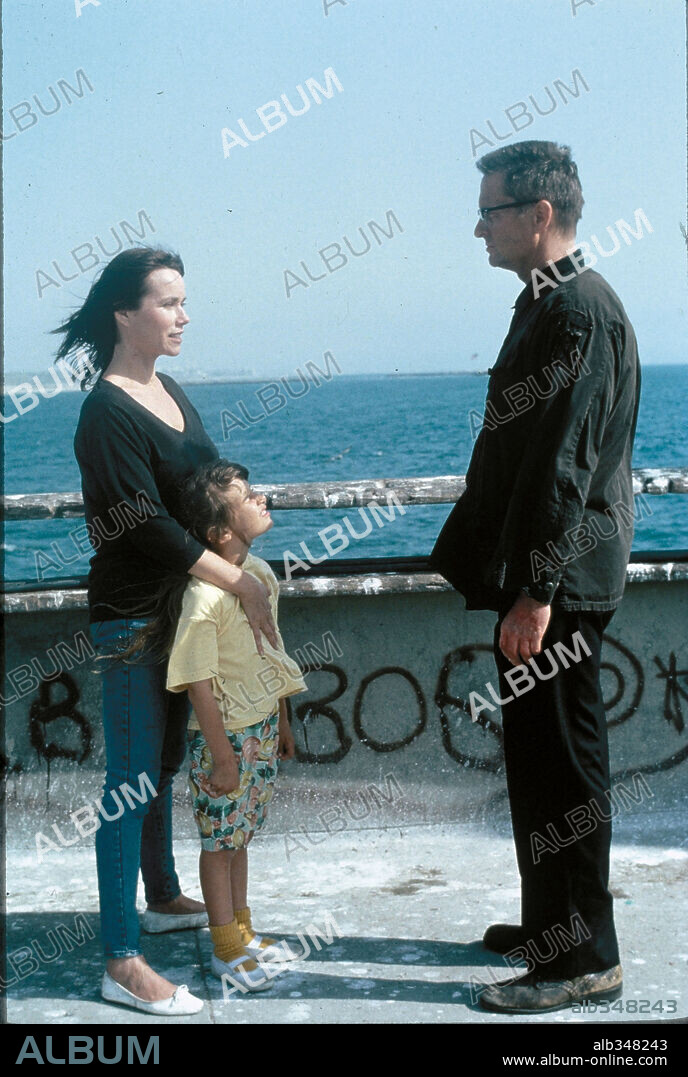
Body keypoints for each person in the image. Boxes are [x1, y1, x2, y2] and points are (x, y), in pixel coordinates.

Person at [430, 141, 641, 1015]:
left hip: (559, 586)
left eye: (491, 210)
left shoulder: (579, 312)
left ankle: (583, 956)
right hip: (539, 580)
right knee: (535, 758)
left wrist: (539, 590)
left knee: (564, 768)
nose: (478, 225)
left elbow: (567, 462)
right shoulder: (544, 303)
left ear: (539, 215)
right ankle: (547, 922)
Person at [61, 247, 279, 1015]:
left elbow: (208, 492)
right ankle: (121, 960)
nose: (183, 315)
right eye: (169, 302)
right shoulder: (106, 410)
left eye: (185, 302)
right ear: (126, 314)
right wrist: (242, 581)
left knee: (158, 764)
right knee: (129, 785)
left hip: (184, 616)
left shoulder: (170, 389)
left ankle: (159, 897)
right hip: (132, 622)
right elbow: (150, 527)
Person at [125, 458, 307, 992]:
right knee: (218, 844)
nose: (260, 499)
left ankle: (243, 931)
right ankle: (226, 948)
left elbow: (271, 650)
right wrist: (222, 754)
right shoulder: (205, 596)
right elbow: (196, 680)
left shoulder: (259, 577)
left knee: (241, 837)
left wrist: (283, 717)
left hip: (260, 731)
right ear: (220, 533)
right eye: (246, 498)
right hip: (223, 741)